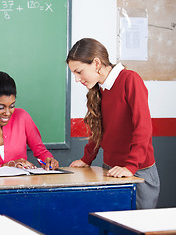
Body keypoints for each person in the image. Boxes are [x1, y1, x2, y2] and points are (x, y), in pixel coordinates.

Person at [66, 38, 160, 209]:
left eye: (79, 72)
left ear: (96, 63)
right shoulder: (100, 87)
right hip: (111, 170)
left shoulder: (130, 80)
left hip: (137, 172)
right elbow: (99, 129)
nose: (77, 79)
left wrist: (130, 167)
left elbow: (143, 128)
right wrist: (87, 159)